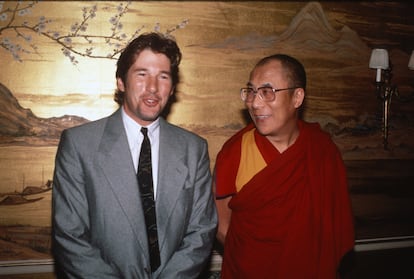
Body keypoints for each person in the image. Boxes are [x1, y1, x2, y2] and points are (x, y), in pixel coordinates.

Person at [52, 32, 217, 279]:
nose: (153, 87)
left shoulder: (194, 149)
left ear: (172, 88)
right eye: (142, 74)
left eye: (163, 77)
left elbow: (201, 231)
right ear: (121, 82)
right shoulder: (79, 145)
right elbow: (70, 237)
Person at [213, 54, 354, 278]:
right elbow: (221, 224)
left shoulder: (321, 150)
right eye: (250, 91)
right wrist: (253, 258)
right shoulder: (235, 151)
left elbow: (332, 227)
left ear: (297, 97)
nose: (255, 103)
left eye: (267, 92)